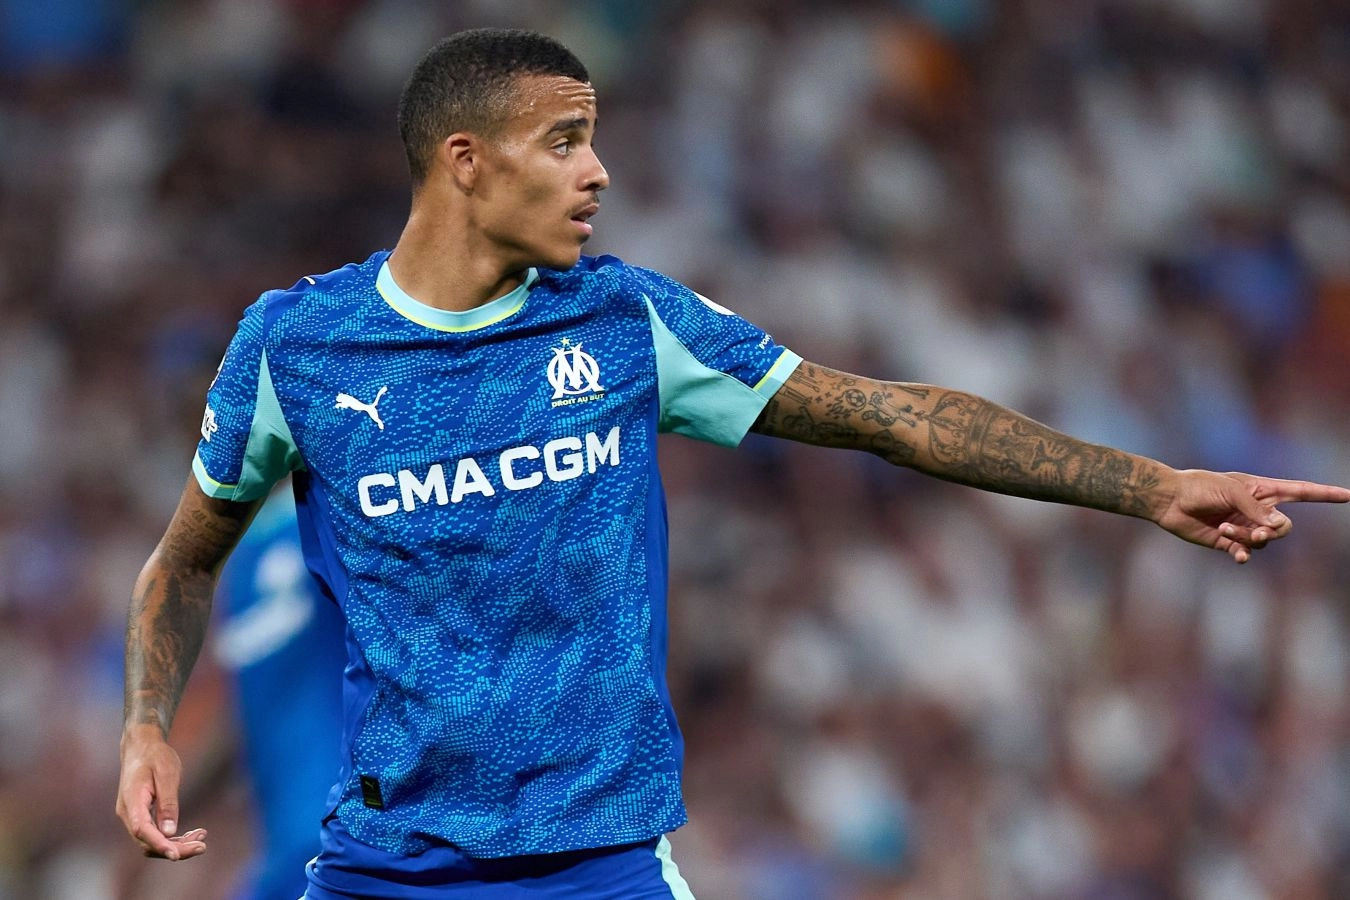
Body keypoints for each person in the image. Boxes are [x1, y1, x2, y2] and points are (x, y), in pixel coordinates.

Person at [115, 27, 1349, 900]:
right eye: (564, 141)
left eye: (595, 140)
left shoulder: (625, 322)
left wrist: (1149, 485)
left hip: (599, 865)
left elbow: (886, 416)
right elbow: (183, 564)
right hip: (388, 871)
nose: (597, 173)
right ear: (466, 161)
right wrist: (146, 728)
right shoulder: (299, 347)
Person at [213, 485, 346, 900]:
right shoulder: (236, 555)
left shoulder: (333, 513)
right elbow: (254, 712)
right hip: (294, 846)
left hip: (342, 835)